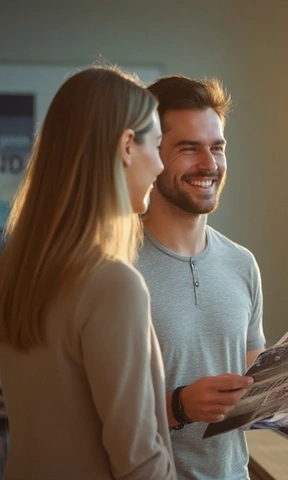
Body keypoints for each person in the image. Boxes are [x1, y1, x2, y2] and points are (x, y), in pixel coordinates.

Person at [136, 74, 288, 480]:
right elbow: (85, 411)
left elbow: (247, 400)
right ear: (151, 154)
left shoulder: (242, 264)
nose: (209, 164)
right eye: (189, 149)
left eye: (217, 148)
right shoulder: (114, 266)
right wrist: (178, 406)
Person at [0, 66, 175, 479]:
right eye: (157, 145)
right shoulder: (113, 283)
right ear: (127, 146)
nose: (159, 166)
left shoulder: (15, 271)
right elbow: (138, 461)